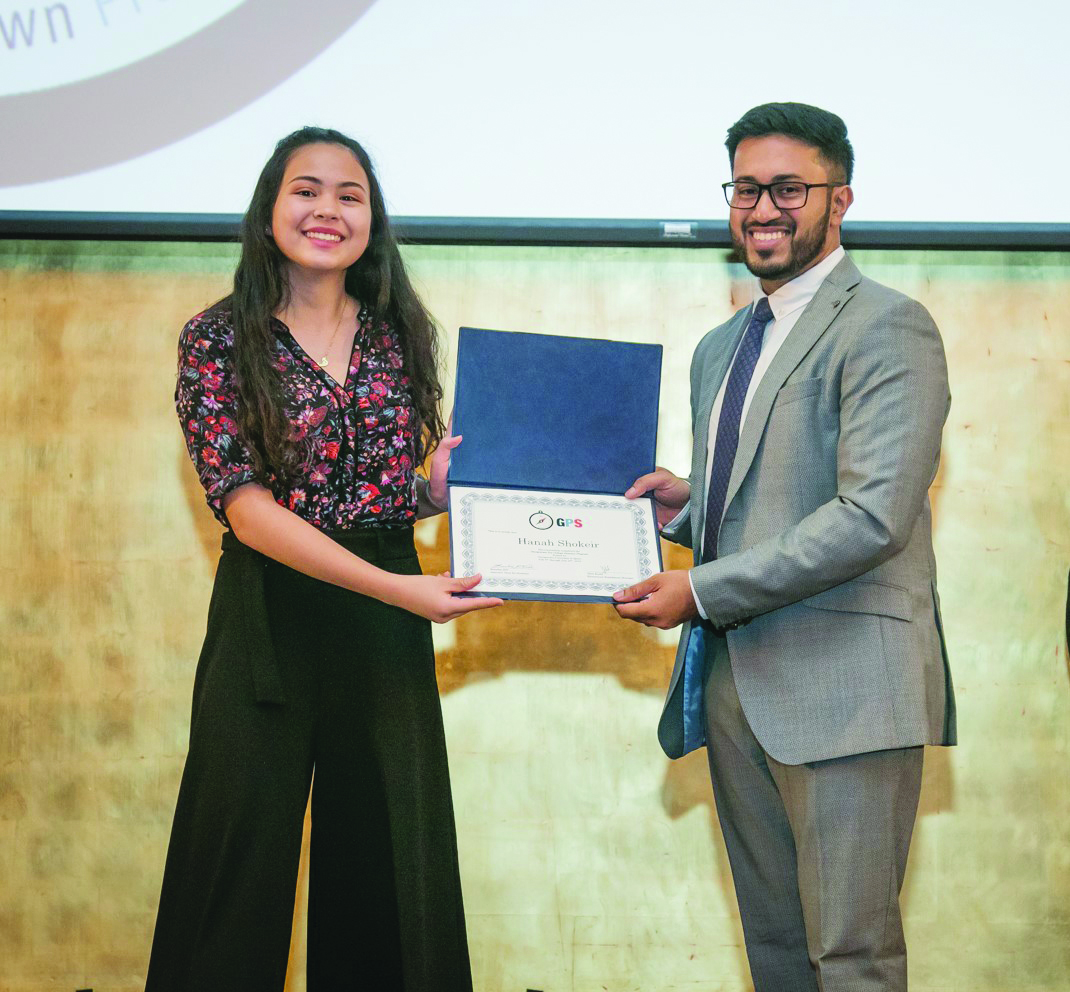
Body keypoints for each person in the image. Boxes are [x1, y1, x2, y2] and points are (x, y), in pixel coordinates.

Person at [145, 126, 500, 992]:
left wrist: (437, 490)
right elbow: (247, 508)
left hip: (384, 620)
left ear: (372, 222)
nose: (327, 210)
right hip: (272, 616)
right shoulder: (216, 337)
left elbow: (382, 493)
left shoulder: (400, 333)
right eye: (307, 190)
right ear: (270, 210)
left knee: (387, 864)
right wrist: (395, 587)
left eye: (350, 195)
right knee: (236, 863)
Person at [614, 103, 955, 992]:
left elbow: (872, 515)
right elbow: (767, 496)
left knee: (850, 959)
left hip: (848, 689)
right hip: (736, 689)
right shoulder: (720, 345)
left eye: (789, 188)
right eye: (746, 187)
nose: (764, 207)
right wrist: (685, 507)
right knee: (775, 952)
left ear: (839, 199)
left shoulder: (888, 324)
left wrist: (699, 590)